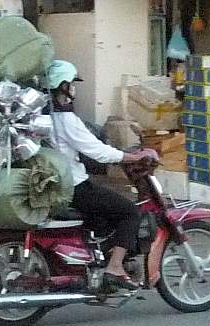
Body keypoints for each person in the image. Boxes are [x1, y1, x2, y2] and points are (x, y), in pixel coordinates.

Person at [46, 60, 156, 290]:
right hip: (76, 187)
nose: (75, 89)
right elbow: (97, 151)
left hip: (57, 186)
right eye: (72, 84)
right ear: (64, 86)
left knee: (105, 213)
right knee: (130, 212)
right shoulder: (66, 120)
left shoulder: (44, 118)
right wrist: (132, 157)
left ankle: (97, 262)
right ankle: (115, 267)